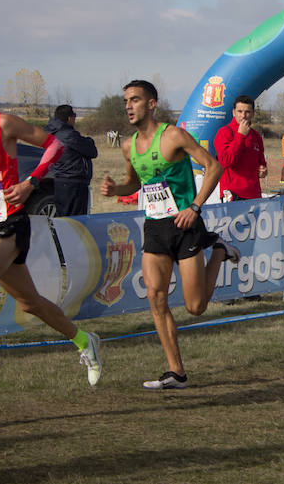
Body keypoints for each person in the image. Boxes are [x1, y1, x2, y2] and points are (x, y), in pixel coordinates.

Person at [0, 66, 101, 416]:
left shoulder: (3, 124)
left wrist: (31, 182)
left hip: (10, 222)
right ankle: (84, 340)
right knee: (30, 303)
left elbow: (55, 144)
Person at [101, 80, 238, 390]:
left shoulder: (173, 135)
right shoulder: (129, 145)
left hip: (186, 226)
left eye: (135, 99)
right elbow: (134, 184)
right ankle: (177, 372)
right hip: (155, 227)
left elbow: (212, 167)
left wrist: (195, 207)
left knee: (195, 306)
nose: (128, 106)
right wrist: (114, 190)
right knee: (156, 297)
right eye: (126, 101)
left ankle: (218, 250)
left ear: (151, 104)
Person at [44, 104, 97, 216]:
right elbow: (92, 151)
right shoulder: (68, 135)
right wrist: (89, 140)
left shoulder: (53, 133)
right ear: (69, 118)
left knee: (63, 218)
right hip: (73, 183)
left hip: (59, 180)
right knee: (75, 221)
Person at [213, 95, 268, 201]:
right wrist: (240, 135)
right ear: (233, 112)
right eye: (240, 111)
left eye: (247, 112)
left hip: (253, 195)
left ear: (252, 114)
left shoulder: (256, 136)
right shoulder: (224, 133)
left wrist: (263, 170)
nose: (243, 115)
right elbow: (226, 161)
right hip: (233, 195)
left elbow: (261, 163)